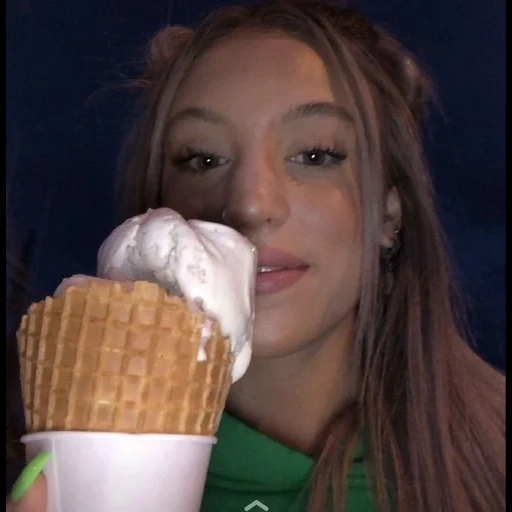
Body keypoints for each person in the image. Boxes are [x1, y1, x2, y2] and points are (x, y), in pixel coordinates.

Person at [6, 0, 505, 511]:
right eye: (202, 159)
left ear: (389, 215)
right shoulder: (60, 472)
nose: (249, 203)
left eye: (314, 156)